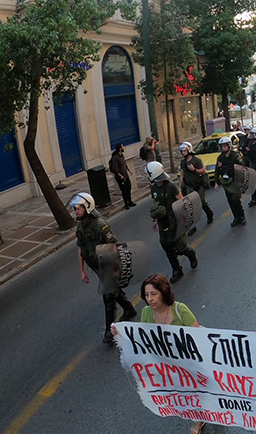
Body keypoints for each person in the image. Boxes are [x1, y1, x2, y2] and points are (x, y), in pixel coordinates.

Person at [112, 274, 206, 434]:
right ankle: (198, 418)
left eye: (153, 294)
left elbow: (196, 335)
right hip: (168, 363)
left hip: (189, 360)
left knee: (201, 389)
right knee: (185, 392)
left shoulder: (180, 309)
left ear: (163, 292)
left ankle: (213, 413)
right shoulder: (147, 313)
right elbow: (142, 338)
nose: (150, 299)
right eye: (147, 295)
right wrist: (121, 333)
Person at [71, 192, 137, 344]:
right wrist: (82, 271)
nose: (76, 211)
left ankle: (109, 331)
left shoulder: (100, 225)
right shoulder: (80, 226)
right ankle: (128, 308)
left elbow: (114, 247)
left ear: (88, 207)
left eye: (79, 208)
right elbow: (80, 249)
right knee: (112, 289)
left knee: (108, 295)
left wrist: (116, 269)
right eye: (75, 209)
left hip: (108, 265)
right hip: (95, 266)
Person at [145, 161, 198, 284]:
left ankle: (190, 254)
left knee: (180, 247)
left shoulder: (171, 187)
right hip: (163, 223)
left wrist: (185, 221)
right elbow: (155, 203)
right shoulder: (153, 187)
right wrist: (154, 219)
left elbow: (182, 202)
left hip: (175, 221)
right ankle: (176, 269)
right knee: (166, 246)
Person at [178, 142, 214, 235]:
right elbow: (182, 175)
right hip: (189, 187)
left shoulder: (197, 160)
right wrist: (179, 187)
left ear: (189, 150)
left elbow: (203, 170)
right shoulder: (183, 162)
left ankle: (209, 213)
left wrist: (194, 169)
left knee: (201, 202)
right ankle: (193, 227)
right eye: (181, 151)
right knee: (191, 207)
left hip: (198, 186)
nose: (183, 153)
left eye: (184, 151)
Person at [213, 137, 246, 227]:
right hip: (226, 183)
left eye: (225, 146)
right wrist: (216, 182)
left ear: (229, 146)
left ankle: (241, 215)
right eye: (222, 146)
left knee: (235, 199)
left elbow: (242, 168)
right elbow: (217, 170)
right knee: (230, 200)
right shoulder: (220, 158)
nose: (223, 148)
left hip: (236, 181)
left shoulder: (235, 156)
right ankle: (236, 217)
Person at [109, 143, 136, 210]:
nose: (124, 147)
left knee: (128, 187)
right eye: (122, 146)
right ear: (120, 148)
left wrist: (129, 170)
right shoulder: (115, 158)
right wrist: (120, 176)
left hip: (125, 175)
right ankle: (126, 203)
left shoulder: (122, 156)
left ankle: (130, 201)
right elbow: (115, 169)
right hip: (120, 177)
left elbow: (124, 164)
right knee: (124, 190)